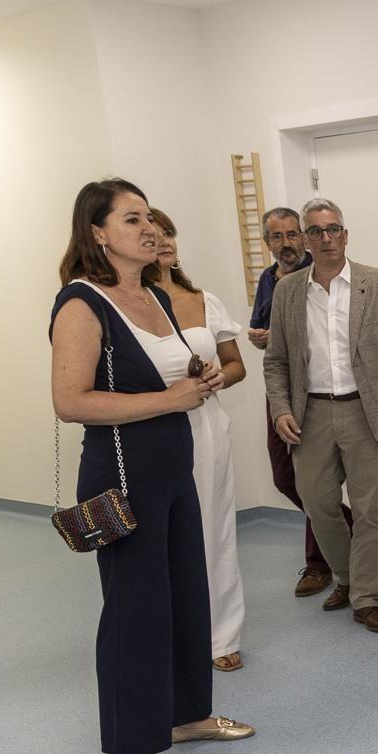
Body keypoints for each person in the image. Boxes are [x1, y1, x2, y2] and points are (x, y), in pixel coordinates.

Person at [50, 179, 254, 754]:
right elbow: (70, 401)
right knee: (135, 611)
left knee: (187, 594)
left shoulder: (155, 297)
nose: (150, 229)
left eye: (151, 219)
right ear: (98, 233)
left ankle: (186, 713)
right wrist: (170, 398)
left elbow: (166, 374)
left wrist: (200, 376)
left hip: (173, 467)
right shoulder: (82, 303)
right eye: (132, 219)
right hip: (122, 473)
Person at [263, 198, 378, 634]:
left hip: (367, 413)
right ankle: (348, 578)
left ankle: (367, 597)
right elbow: (275, 360)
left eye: (333, 229)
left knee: (370, 508)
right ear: (307, 239)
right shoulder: (288, 292)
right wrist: (280, 408)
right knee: (318, 504)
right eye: (315, 231)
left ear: (346, 234)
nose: (326, 238)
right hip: (310, 414)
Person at [149, 207, 248, 673]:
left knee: (215, 526)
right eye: (152, 233)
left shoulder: (203, 299)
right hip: (156, 426)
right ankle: (172, 635)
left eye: (169, 231)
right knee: (166, 535)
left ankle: (221, 634)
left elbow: (236, 364)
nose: (163, 240)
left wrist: (215, 379)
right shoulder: (128, 302)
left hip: (206, 424)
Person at [246, 207, 353, 599]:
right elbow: (264, 328)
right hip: (282, 390)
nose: (287, 243)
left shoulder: (318, 275)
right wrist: (260, 337)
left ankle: (319, 563)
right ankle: (347, 527)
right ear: (267, 242)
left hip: (323, 392)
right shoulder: (268, 279)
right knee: (287, 477)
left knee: (315, 481)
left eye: (293, 235)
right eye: (278, 237)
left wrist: (275, 335)